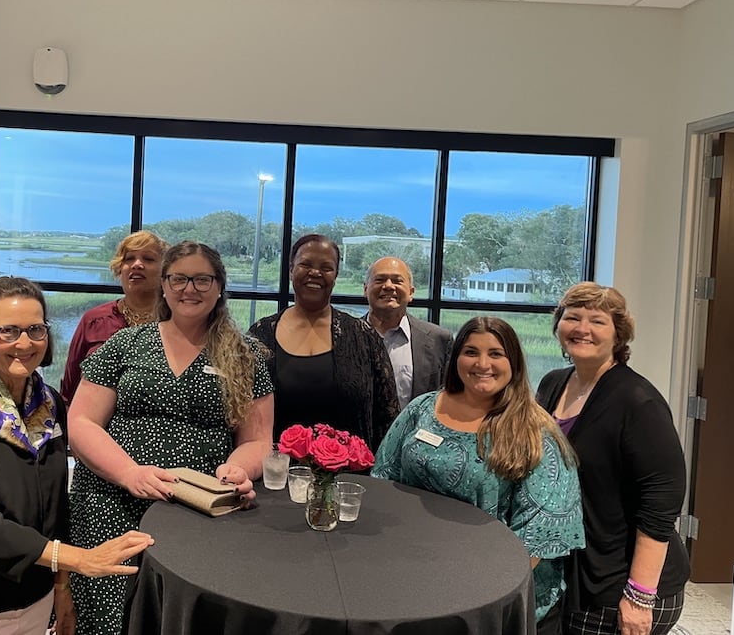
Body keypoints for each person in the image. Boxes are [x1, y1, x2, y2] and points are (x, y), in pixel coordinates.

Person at [0, 276, 154, 635]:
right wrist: (82, 559)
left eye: (35, 330)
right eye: (8, 331)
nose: (23, 344)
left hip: (34, 602)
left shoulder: (51, 405)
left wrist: (61, 587)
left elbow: (55, 510)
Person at [67, 241, 274, 635]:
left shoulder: (246, 356)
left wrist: (236, 470)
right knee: (109, 620)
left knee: (180, 617)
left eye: (201, 279)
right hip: (110, 503)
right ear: (164, 285)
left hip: (196, 511)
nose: (189, 289)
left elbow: (259, 440)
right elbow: (81, 423)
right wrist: (130, 473)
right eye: (178, 278)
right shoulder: (125, 344)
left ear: (219, 287)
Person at [372, 316, 584, 634]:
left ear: (513, 362)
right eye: (471, 352)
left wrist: (480, 591)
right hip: (411, 574)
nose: (482, 363)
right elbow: (384, 476)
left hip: (490, 595)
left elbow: (538, 534)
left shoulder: (535, 431)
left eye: (496, 354)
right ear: (456, 357)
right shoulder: (422, 409)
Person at [536, 283, 689, 635]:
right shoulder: (552, 384)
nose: (582, 328)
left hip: (625, 583)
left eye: (597, 321)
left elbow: (662, 500)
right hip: (578, 573)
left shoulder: (637, 401)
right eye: (572, 317)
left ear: (619, 335)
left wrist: (639, 596)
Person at [249, 234, 399, 451]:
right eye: (305, 264)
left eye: (326, 267)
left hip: (349, 479)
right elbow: (242, 409)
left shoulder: (363, 336)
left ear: (336, 275)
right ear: (291, 269)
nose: (315, 273)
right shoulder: (261, 335)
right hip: (273, 475)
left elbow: (388, 416)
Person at [60, 231, 168, 406]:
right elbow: (69, 390)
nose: (137, 265)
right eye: (129, 259)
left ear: (166, 271)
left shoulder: (175, 321)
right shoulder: (94, 320)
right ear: (119, 268)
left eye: (148, 259)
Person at [364, 256, 453, 408]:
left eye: (397, 281)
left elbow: (450, 398)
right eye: (380, 280)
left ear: (411, 292)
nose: (388, 286)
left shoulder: (439, 340)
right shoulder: (345, 337)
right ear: (365, 289)